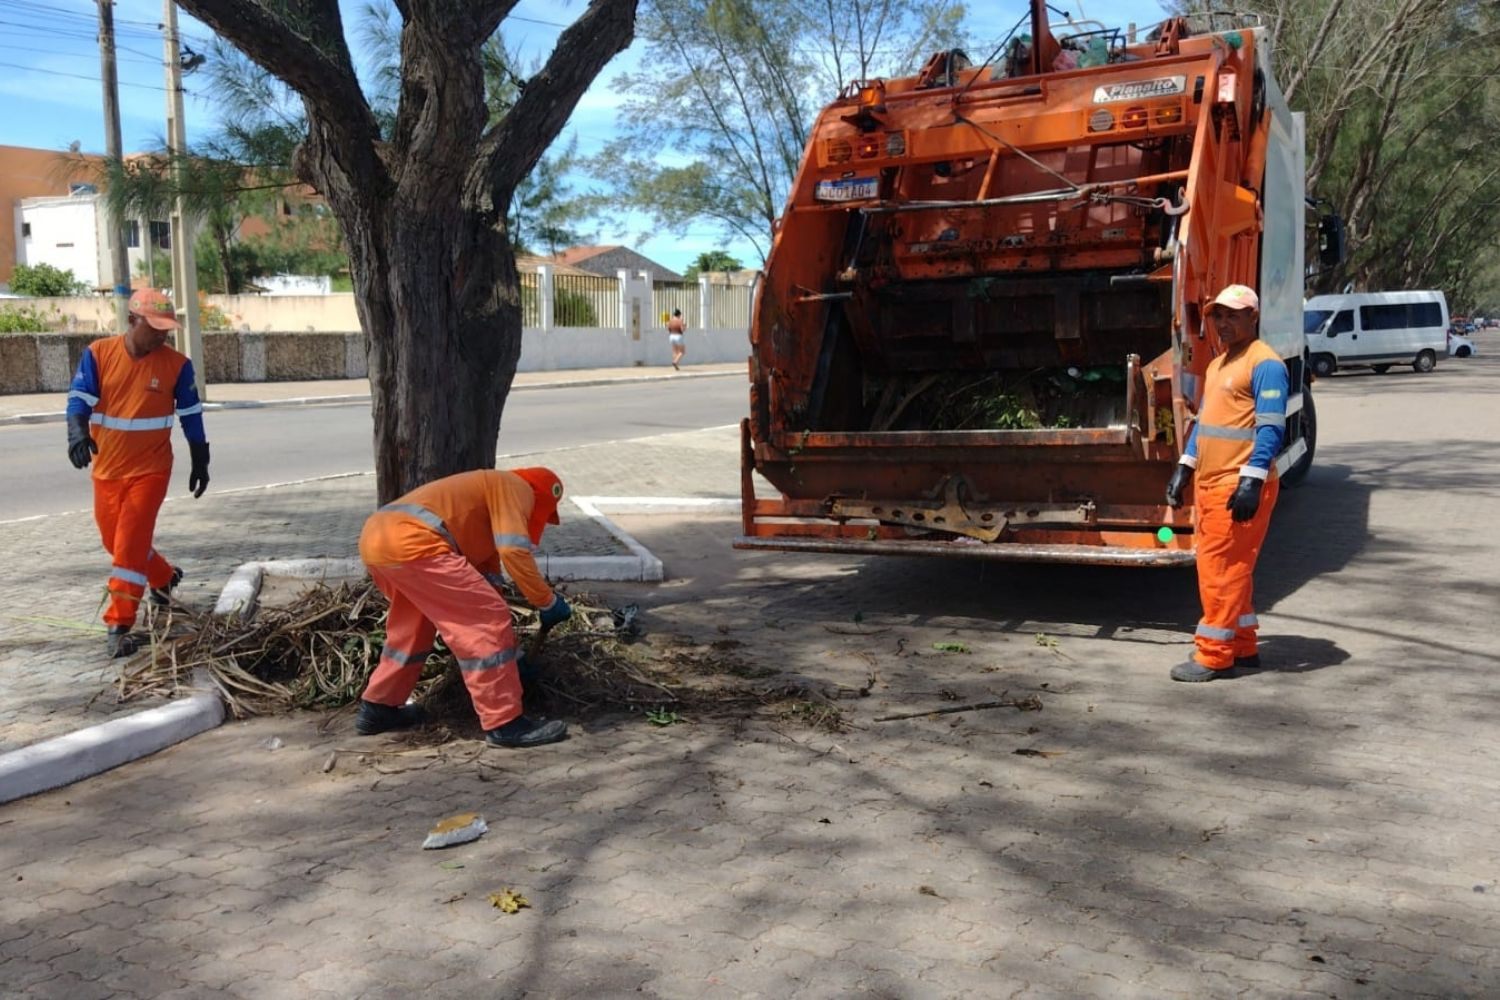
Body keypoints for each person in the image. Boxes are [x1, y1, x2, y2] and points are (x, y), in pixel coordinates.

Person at [354, 467, 575, 748]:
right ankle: (505, 723)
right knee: (487, 620)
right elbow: (513, 552)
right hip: (418, 543)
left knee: (413, 629)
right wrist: (547, 601)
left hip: (379, 541)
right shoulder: (515, 486)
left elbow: (487, 587)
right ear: (540, 497)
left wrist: (514, 657)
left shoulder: (483, 510)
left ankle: (379, 708)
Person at [66, 289, 211, 659]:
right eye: (155, 327)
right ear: (133, 321)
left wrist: (200, 458)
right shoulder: (99, 354)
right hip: (108, 469)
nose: (163, 335)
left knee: (129, 546)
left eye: (167, 329)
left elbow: (191, 414)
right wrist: (77, 432)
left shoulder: (177, 365)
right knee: (114, 542)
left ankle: (120, 624)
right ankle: (163, 577)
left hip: (151, 469)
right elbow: (78, 400)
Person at [1164, 284, 1289, 682]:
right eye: (1218, 315)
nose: (1223, 322)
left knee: (1220, 571)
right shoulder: (1218, 364)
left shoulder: (1265, 364)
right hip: (1212, 483)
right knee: (1235, 569)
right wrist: (1185, 464)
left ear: (1254, 317)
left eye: (1233, 315)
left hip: (1235, 486)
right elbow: (1206, 423)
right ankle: (1243, 644)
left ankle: (1214, 656)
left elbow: (1271, 429)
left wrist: (1251, 482)